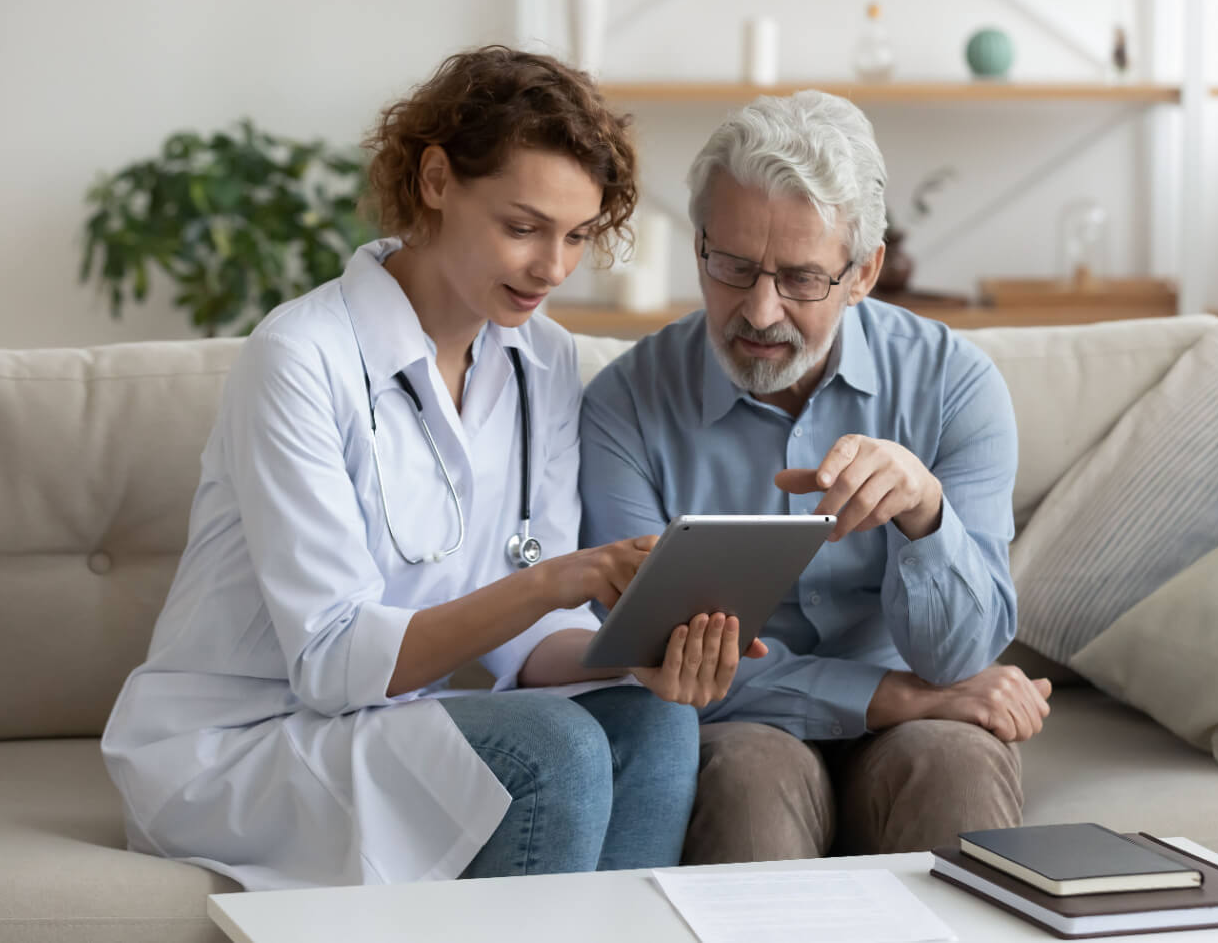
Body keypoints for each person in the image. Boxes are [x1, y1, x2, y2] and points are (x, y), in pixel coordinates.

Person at [102, 46, 760, 890]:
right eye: (522, 228)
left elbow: (523, 645)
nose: (552, 270)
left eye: (576, 237)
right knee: (549, 748)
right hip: (247, 739)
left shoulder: (544, 360)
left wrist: (636, 654)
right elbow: (335, 665)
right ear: (438, 179)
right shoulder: (300, 357)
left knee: (654, 725)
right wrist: (566, 577)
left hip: (396, 723)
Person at [579, 90, 1053, 865]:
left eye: (801, 279)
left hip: (921, 724)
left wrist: (926, 513)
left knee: (956, 762)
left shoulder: (954, 384)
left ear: (863, 271)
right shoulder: (624, 405)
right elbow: (645, 661)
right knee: (747, 782)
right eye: (732, 267)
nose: (760, 311)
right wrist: (889, 696)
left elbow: (960, 658)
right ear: (699, 243)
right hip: (740, 728)